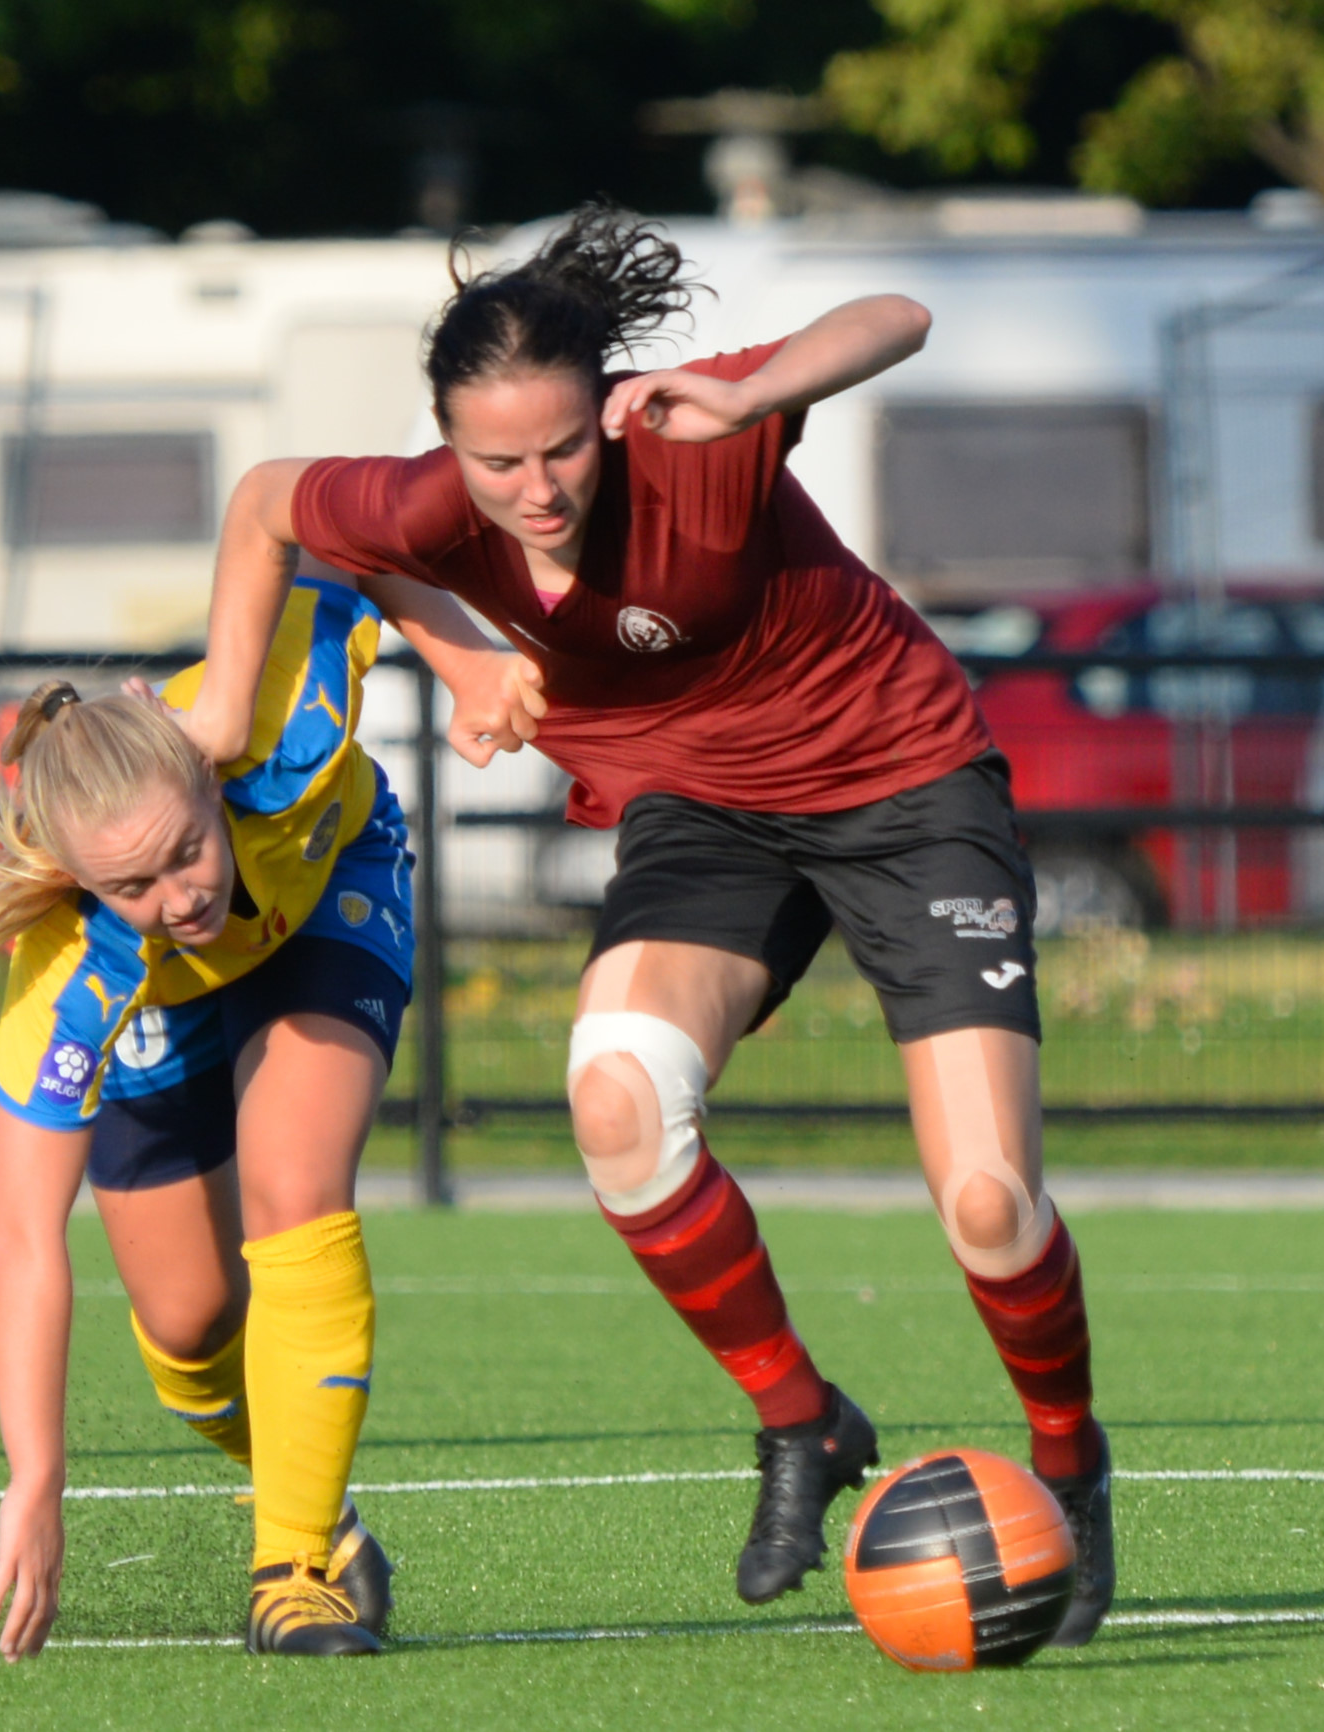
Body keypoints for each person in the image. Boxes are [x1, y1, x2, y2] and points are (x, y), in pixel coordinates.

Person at [184, 205, 1114, 1646]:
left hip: (904, 786)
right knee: (617, 1104)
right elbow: (265, 507)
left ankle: (1068, 1464)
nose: (535, 488)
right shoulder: (434, 504)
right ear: (448, 443)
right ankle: (801, 1418)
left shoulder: (687, 436)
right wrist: (263, 703)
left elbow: (897, 317)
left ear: (602, 415)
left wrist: (755, 392)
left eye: (562, 450)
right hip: (703, 811)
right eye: (496, 463)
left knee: (990, 1206)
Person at [0, 571, 416, 1660]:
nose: (180, 895)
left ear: (206, 772)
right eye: (133, 884)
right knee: (190, 1331)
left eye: (186, 850)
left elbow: (356, 531)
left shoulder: (285, 715)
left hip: (321, 899)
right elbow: (25, 1234)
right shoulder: (74, 974)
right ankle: (323, 1511)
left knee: (294, 1181)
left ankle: (291, 1569)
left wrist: (475, 663)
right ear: (79, 880)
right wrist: (36, 1477)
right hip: (165, 998)